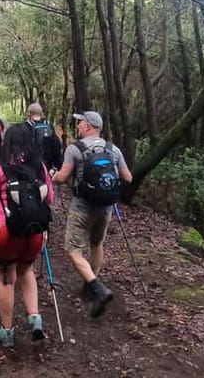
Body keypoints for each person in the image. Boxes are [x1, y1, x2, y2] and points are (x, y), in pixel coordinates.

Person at [0, 123, 54, 348]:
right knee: (26, 270)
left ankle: (7, 332)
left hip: (5, 231)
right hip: (35, 232)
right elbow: (49, 200)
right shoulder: (39, 167)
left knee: (7, 276)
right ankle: (34, 318)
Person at [52, 111, 132, 317]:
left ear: (88, 126)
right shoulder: (112, 149)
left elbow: (62, 177)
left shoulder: (74, 149)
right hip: (106, 207)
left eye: (80, 123)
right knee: (97, 244)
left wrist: (53, 176)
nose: (78, 126)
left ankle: (96, 287)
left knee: (73, 249)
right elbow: (128, 177)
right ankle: (92, 283)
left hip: (82, 206)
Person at [25, 102, 63, 171]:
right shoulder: (49, 126)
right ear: (41, 113)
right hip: (48, 165)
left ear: (28, 113)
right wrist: (58, 166)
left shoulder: (25, 126)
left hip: (31, 166)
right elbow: (56, 146)